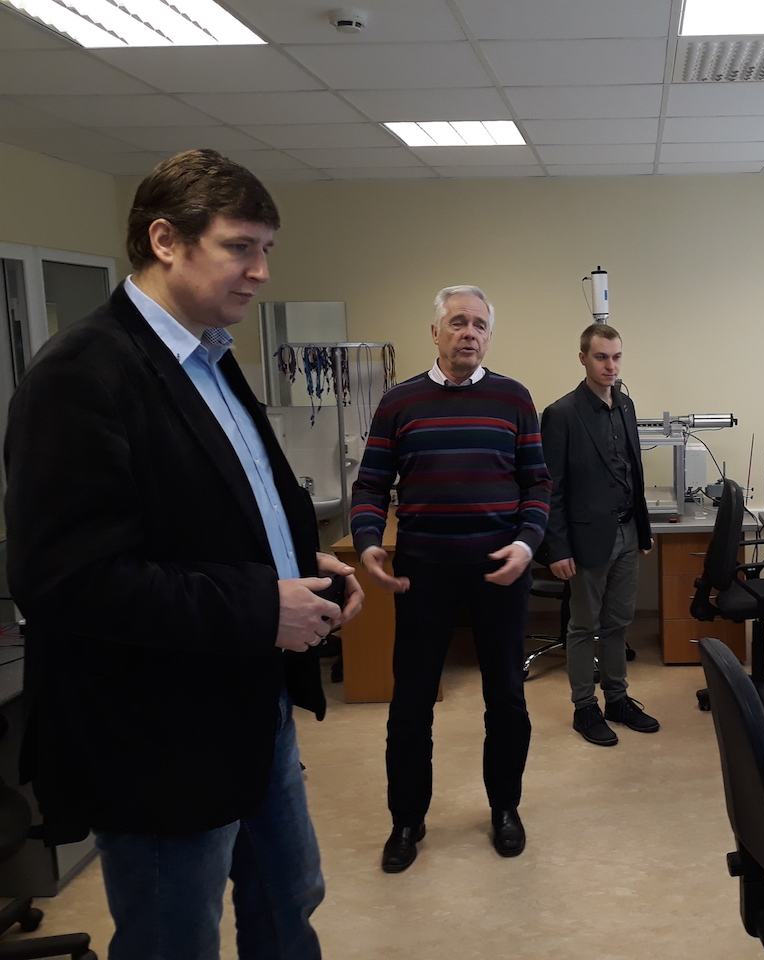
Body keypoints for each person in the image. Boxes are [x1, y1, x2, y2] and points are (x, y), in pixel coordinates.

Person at [3, 148, 364, 960]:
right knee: (175, 938)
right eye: (241, 247)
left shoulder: (211, 356)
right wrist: (262, 603)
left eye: (266, 249)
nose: (261, 271)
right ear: (165, 240)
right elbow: (67, 580)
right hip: (160, 733)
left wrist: (302, 564)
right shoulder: (82, 375)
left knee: (289, 902)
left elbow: (223, 507)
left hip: (252, 704)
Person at [350, 285, 550, 871]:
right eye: (458, 322)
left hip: (499, 570)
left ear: (489, 336)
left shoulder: (514, 398)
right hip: (424, 572)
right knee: (411, 702)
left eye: (480, 325)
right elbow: (370, 485)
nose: (469, 333)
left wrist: (526, 542)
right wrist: (368, 542)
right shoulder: (399, 402)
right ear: (435, 332)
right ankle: (406, 819)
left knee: (506, 699)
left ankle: (505, 808)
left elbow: (538, 483)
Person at [540, 324, 658, 746]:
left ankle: (617, 699)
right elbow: (550, 489)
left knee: (618, 623)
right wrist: (557, 548)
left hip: (627, 529)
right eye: (601, 357)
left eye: (616, 357)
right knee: (583, 626)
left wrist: (643, 529)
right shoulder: (562, 414)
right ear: (583, 359)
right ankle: (584, 707)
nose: (611, 365)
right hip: (586, 538)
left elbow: (633, 471)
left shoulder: (624, 404)